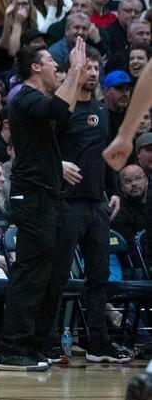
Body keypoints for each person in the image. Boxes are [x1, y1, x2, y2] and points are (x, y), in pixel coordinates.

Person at [0, 38, 86, 371]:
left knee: (55, 271)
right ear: (36, 68)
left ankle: (36, 343)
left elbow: (64, 113)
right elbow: (58, 109)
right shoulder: (23, 97)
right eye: (51, 61)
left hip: (49, 194)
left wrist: (74, 77)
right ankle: (13, 349)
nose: (56, 66)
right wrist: (75, 70)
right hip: (31, 195)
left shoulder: (40, 100)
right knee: (32, 273)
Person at [49, 48, 132, 364]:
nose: (93, 73)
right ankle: (50, 341)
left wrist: (114, 190)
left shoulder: (102, 109)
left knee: (99, 277)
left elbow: (107, 153)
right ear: (74, 71)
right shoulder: (61, 110)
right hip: (67, 203)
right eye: (87, 67)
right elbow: (42, 150)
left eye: (97, 68)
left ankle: (99, 343)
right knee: (58, 276)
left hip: (98, 204)